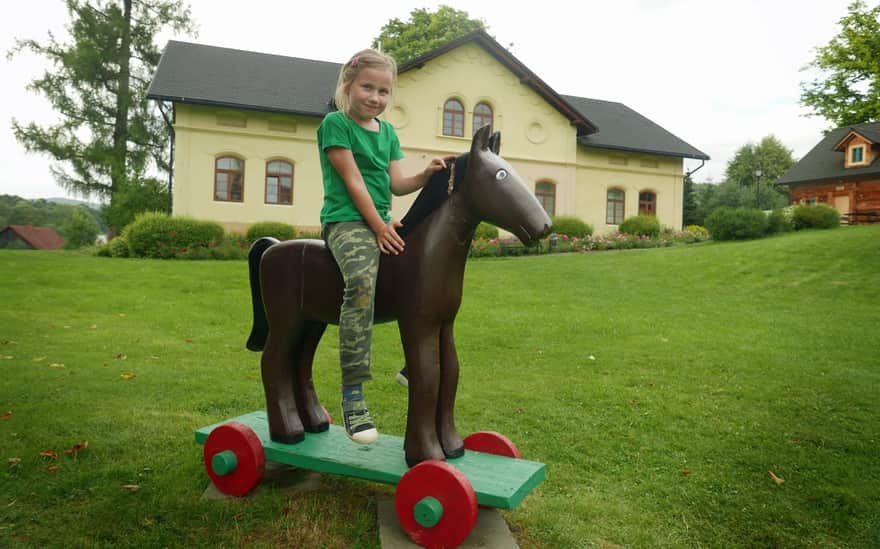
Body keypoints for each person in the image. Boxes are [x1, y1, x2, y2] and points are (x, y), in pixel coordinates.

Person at [318, 48, 452, 444]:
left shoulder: (388, 133)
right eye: (367, 88)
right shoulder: (335, 125)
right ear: (348, 85)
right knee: (361, 284)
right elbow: (353, 182)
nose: (375, 98)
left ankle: (417, 364)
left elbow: (395, 185)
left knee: (427, 274)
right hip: (346, 222)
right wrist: (377, 225)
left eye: (383, 91)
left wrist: (425, 174)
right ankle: (353, 392)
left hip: (381, 221)